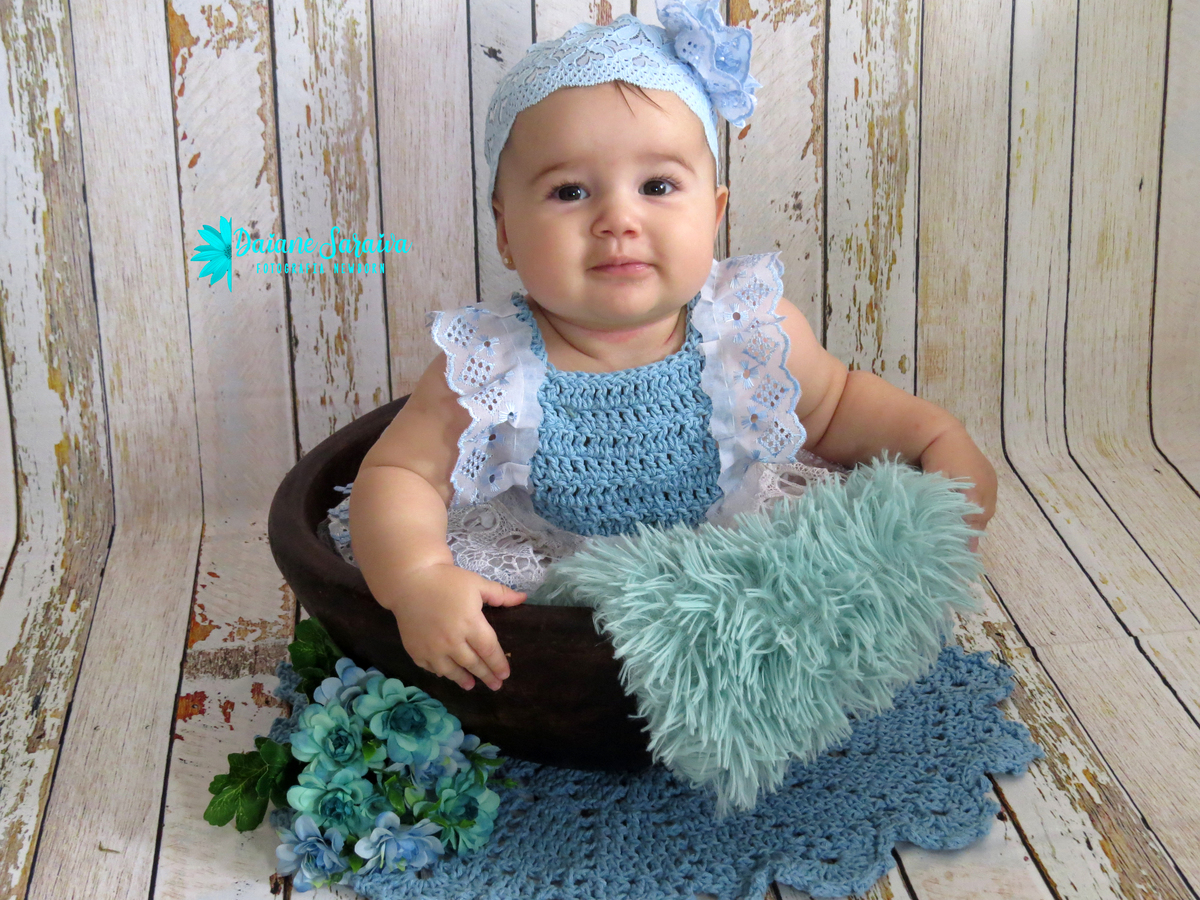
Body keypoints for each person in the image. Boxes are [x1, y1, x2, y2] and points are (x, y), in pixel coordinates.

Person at [348, 1, 997, 698]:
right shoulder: (488, 363)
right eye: (570, 191)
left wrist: (938, 440)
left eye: (657, 186)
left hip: (726, 567)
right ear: (506, 232)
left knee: (829, 588)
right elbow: (400, 474)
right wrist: (420, 577)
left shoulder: (749, 333)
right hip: (556, 586)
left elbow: (838, 407)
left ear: (713, 214)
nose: (618, 219)